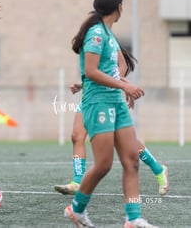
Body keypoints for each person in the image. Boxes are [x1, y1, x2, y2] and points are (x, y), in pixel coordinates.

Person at [63, 0, 158, 227]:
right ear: (119, 7)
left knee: (131, 160)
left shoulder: (108, 33)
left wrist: (127, 87)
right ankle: (76, 210)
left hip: (116, 103)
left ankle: (133, 218)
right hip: (98, 103)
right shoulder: (96, 33)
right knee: (103, 165)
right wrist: (125, 87)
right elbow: (91, 71)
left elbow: (109, 71)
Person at [54, 48, 168, 197]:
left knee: (124, 141)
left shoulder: (104, 37)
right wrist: (82, 85)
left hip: (107, 100)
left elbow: (117, 71)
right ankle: (77, 182)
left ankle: (158, 169)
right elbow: (95, 74)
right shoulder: (91, 40)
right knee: (76, 136)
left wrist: (125, 86)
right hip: (88, 99)